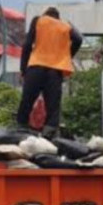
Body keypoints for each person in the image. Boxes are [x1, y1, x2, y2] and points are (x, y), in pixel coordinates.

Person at [16, 7, 83, 139]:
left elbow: (27, 45)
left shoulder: (38, 20)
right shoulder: (65, 27)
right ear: (58, 18)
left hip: (36, 67)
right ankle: (49, 135)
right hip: (55, 71)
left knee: (27, 101)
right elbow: (78, 39)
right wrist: (66, 57)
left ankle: (21, 129)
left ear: (45, 15)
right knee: (53, 108)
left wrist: (23, 69)